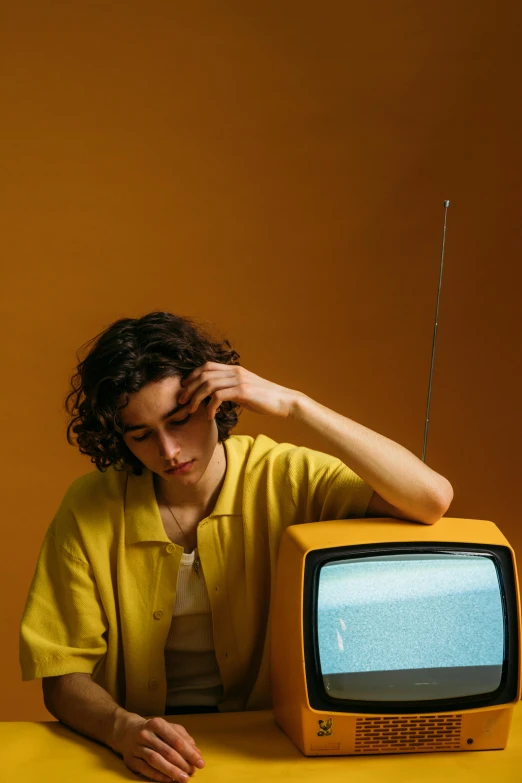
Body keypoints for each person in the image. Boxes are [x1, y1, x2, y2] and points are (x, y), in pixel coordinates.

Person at [19, 311, 453, 783]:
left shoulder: (285, 476)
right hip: (141, 758)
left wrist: (295, 404)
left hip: (271, 750)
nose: (168, 451)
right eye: (141, 435)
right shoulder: (88, 507)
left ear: (213, 399)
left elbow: (430, 498)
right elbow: (62, 676)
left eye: (179, 420)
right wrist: (122, 729)